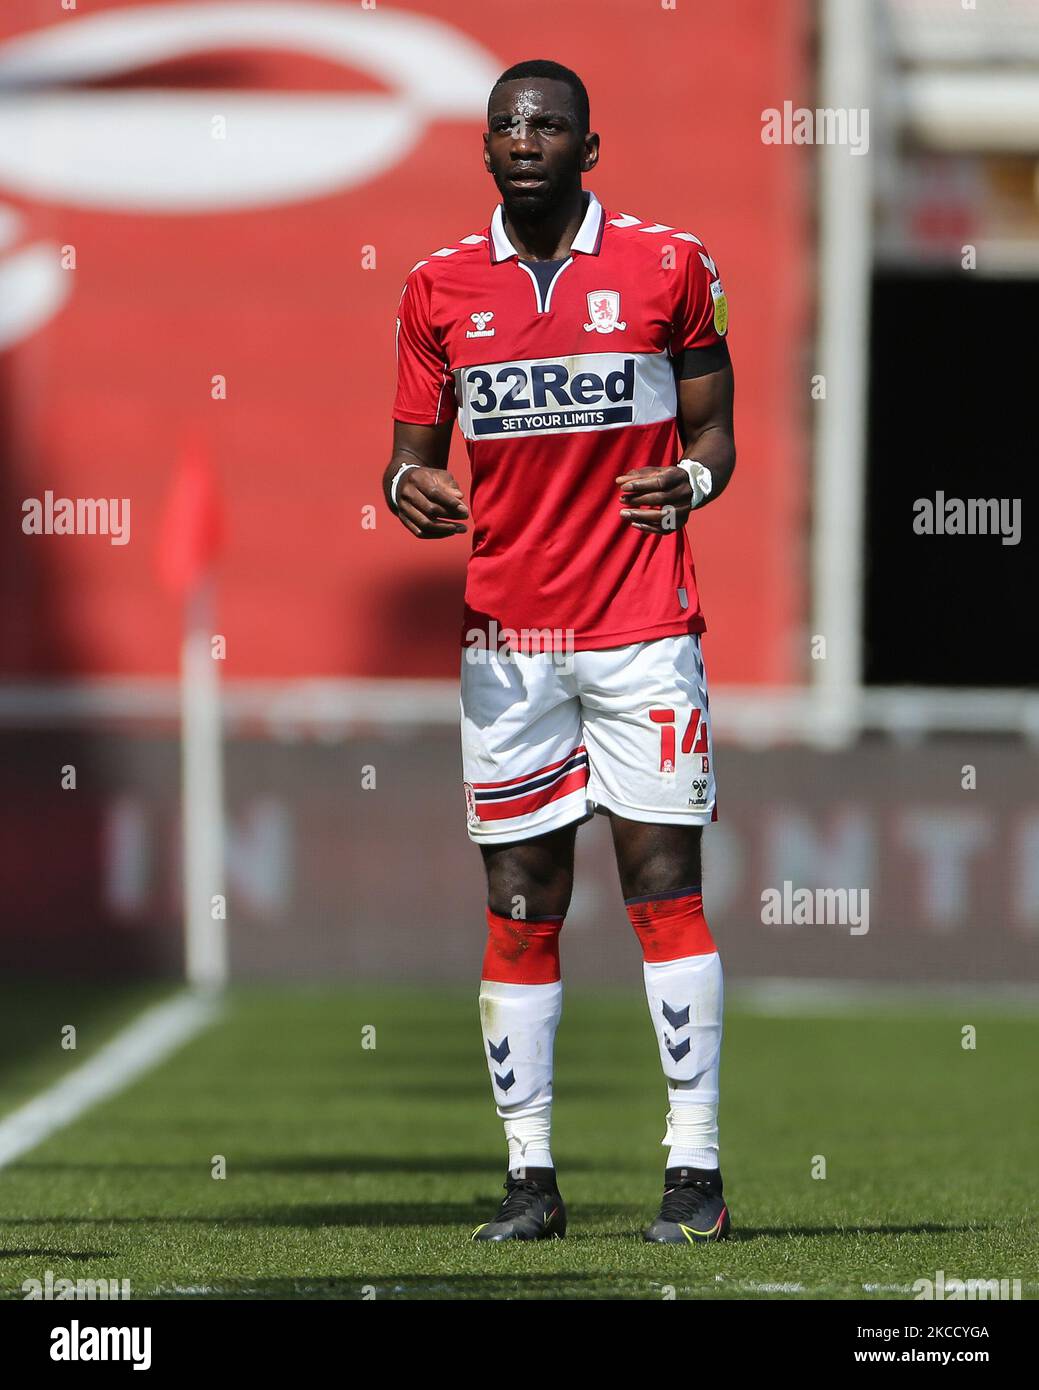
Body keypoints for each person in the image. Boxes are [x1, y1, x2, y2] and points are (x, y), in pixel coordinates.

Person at [383, 59, 736, 1244]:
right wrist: (406, 488)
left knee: (662, 893)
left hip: (642, 633)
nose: (523, 137)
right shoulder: (436, 291)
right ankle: (528, 1178)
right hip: (509, 643)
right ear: (484, 150)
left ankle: (695, 1172)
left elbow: (715, 435)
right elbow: (408, 459)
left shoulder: (670, 266)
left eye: (547, 124)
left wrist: (686, 481)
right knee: (520, 902)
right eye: (505, 124)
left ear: (590, 148)